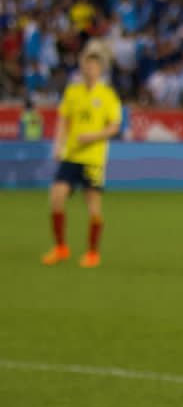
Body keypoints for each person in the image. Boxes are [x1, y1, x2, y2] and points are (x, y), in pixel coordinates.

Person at [42, 45, 122, 268]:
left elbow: (114, 127)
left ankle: (92, 252)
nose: (90, 69)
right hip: (71, 154)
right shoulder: (73, 92)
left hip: (94, 158)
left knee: (93, 206)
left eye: (94, 66)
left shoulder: (107, 95)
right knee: (56, 197)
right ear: (82, 67)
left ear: (100, 70)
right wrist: (57, 146)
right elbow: (63, 121)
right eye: (87, 65)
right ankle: (60, 247)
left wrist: (93, 136)